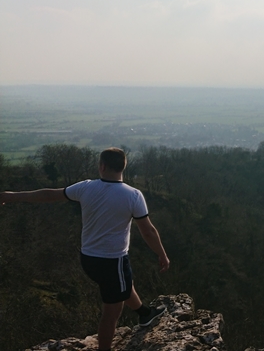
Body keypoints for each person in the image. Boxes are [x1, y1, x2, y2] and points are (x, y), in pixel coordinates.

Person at [0, 147, 170, 351]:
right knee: (111, 313)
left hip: (88, 258)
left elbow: (48, 194)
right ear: (123, 167)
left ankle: (145, 313)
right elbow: (148, 231)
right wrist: (161, 254)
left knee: (124, 284)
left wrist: (12, 196)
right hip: (112, 260)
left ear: (102, 166)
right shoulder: (133, 195)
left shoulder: (86, 187)